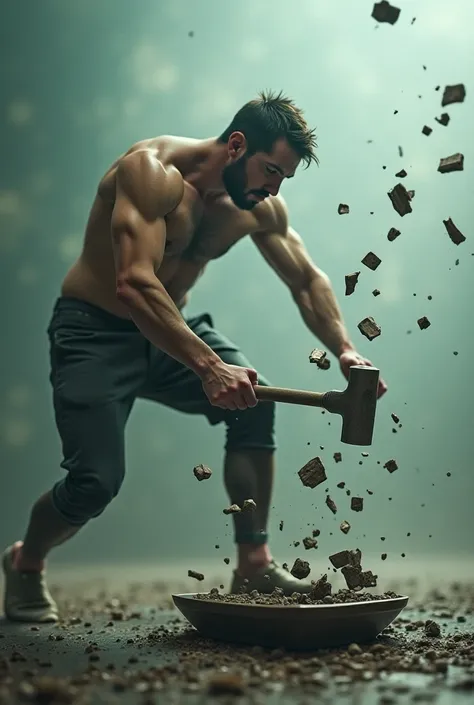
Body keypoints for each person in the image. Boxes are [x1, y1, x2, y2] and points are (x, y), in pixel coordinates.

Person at [2, 90, 387, 623]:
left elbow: (305, 281)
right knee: (94, 483)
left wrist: (344, 349)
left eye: (284, 178)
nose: (274, 187)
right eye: (270, 169)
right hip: (94, 332)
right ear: (235, 145)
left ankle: (253, 561)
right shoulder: (151, 173)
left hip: (171, 331)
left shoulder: (257, 207)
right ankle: (26, 562)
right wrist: (209, 366)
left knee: (255, 402)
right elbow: (134, 285)